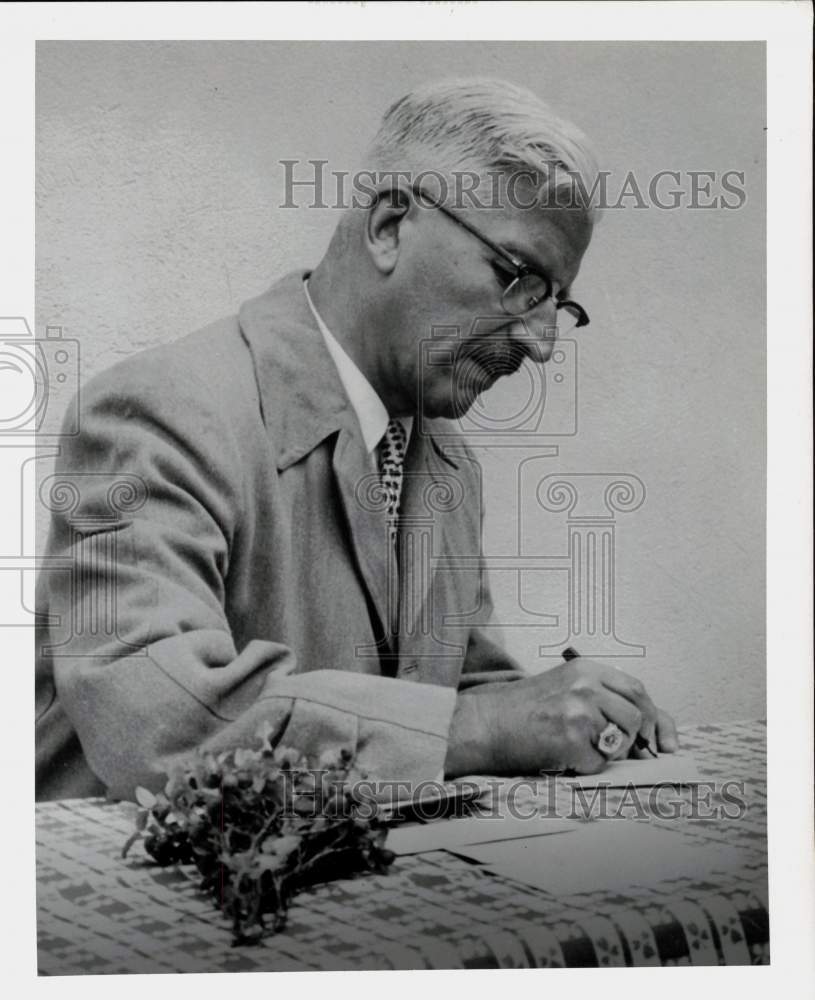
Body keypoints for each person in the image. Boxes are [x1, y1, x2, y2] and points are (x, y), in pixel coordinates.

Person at [35, 78, 678, 802]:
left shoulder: (443, 463)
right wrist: (481, 725)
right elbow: (159, 724)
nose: (540, 342)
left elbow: (460, 688)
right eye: (519, 279)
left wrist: (582, 709)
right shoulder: (155, 411)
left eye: (557, 304)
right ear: (388, 225)